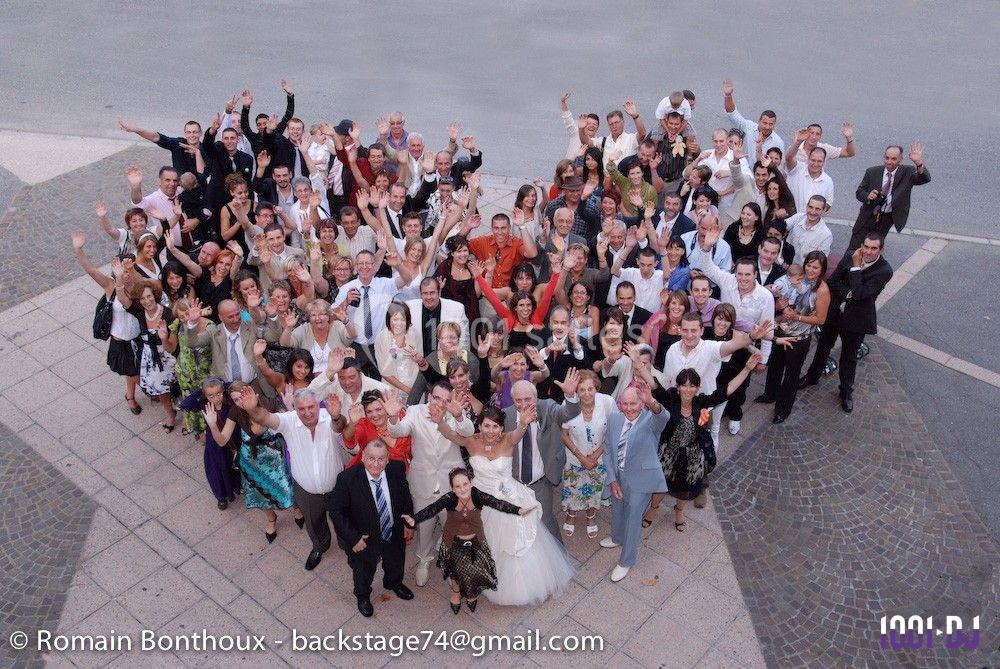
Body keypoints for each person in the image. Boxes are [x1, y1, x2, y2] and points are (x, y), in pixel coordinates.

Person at [434, 405, 577, 605]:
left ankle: (513, 586)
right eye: (486, 426)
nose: (490, 431)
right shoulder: (471, 442)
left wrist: (523, 423)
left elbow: (519, 432)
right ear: (479, 426)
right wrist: (440, 420)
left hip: (508, 498)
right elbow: (451, 435)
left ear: (501, 429)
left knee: (511, 545)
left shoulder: (509, 440)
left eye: (495, 427)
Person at [236, 385, 349, 571]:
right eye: (301, 408)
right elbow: (264, 417)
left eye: (311, 407)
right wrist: (252, 409)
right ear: (294, 409)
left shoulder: (330, 417)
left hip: (337, 488)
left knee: (343, 520)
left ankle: (347, 545)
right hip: (306, 491)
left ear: (317, 405)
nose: (307, 412)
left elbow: (340, 426)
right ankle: (320, 547)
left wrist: (336, 416)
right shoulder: (288, 421)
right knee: (314, 524)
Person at [402, 467, 535, 614]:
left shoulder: (477, 495)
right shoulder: (449, 499)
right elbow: (432, 508)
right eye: (457, 486)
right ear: (452, 488)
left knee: (474, 569)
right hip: (453, 542)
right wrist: (414, 520)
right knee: (456, 570)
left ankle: (471, 593)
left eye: (465, 484)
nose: (462, 489)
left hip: (476, 541)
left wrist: (518, 510)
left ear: (471, 483)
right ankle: (456, 592)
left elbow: (497, 503)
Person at [652, 358, 759, 533]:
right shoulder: (671, 398)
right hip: (669, 452)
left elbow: (727, 391)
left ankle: (679, 511)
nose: (688, 389)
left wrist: (746, 368)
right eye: (684, 385)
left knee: (685, 487)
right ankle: (654, 508)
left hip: (692, 455)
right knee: (660, 483)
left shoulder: (701, 402)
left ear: (697, 388)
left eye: (692, 385)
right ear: (678, 387)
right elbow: (654, 387)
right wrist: (638, 365)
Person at [384, 380, 473, 587]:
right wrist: (393, 416)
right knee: (424, 527)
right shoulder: (415, 411)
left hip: (450, 484)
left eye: (446, 400)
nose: (441, 403)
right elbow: (399, 431)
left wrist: (459, 415)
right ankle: (424, 560)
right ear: (429, 396)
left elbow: (468, 433)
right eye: (437, 398)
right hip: (422, 480)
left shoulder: (454, 413)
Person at [800, 234, 893, 413]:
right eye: (866, 246)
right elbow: (834, 281)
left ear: (881, 250)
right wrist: (849, 293)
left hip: (857, 319)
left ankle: (846, 392)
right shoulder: (851, 254)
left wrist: (856, 267)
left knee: (849, 356)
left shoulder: (884, 271)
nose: (868, 251)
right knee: (823, 346)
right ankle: (812, 377)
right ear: (862, 245)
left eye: (874, 248)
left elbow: (861, 294)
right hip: (835, 311)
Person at [327, 439, 415, 617]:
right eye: (371, 458)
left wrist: (407, 522)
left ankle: (394, 583)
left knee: (396, 563)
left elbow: (405, 495)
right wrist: (353, 538)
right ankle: (362, 596)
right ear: (363, 457)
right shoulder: (347, 479)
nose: (376, 464)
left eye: (381, 459)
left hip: (393, 532)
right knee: (363, 572)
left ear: (388, 459)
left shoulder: (397, 470)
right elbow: (336, 511)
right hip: (364, 539)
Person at [598, 382, 668, 582]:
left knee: (633, 521)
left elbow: (664, 417)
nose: (628, 408)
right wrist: (612, 479)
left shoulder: (651, 421)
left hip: (641, 479)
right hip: (618, 475)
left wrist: (652, 402)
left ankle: (626, 561)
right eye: (624, 403)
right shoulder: (614, 419)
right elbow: (609, 450)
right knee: (617, 509)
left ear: (642, 404)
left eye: (634, 404)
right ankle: (616, 538)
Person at [503, 368, 582, 541]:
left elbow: (568, 413)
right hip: (514, 481)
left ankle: (559, 557)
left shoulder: (547, 408)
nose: (523, 404)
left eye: (528, 399)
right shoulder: (506, 416)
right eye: (518, 400)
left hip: (540, 481)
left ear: (536, 397)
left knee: (546, 521)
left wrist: (570, 397)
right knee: (518, 521)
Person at [757, 251, 830, 422]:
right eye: (809, 265)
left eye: (816, 267)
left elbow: (820, 319)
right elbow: (782, 299)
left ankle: (783, 409)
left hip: (800, 338)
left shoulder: (822, 290)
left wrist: (796, 317)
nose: (811, 270)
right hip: (782, 330)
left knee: (791, 374)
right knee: (775, 366)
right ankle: (770, 394)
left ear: (822, 270)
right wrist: (779, 305)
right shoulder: (796, 278)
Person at [559, 371, 613, 539]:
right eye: (582, 390)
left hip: (599, 458)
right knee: (573, 489)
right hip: (575, 458)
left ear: (596, 387)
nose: (587, 393)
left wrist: (595, 456)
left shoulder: (607, 402)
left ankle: (591, 516)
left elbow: (612, 431)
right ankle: (571, 514)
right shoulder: (568, 404)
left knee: (594, 489)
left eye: (590, 388)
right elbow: (564, 434)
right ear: (575, 391)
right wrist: (582, 458)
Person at [849, 143, 930, 249]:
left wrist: (919, 164)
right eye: (887, 158)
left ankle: (870, 264)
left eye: (893, 159)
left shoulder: (907, 172)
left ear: (900, 160)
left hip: (886, 218)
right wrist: (868, 196)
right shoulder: (872, 172)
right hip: (868, 215)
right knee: (855, 247)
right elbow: (859, 192)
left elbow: (925, 179)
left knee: (875, 247)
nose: (889, 162)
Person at [179, 377, 240, 509]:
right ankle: (221, 497)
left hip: (232, 440)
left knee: (234, 467)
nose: (215, 398)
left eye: (218, 393)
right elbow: (185, 404)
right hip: (214, 444)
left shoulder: (229, 402)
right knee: (216, 471)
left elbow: (234, 385)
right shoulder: (205, 405)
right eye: (210, 395)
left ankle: (236, 487)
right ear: (205, 395)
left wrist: (222, 383)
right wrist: (200, 391)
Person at [131, 284, 178, 431]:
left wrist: (164, 338)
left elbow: (173, 347)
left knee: (179, 387)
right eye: (142, 298)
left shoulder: (168, 314)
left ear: (155, 295)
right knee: (161, 390)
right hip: (150, 357)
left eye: (149, 296)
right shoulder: (140, 313)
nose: (146, 301)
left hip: (168, 355)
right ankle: (170, 414)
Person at [344, 390, 412, 469]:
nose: (374, 415)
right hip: (369, 472)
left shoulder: (400, 418)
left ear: (386, 407)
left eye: (378, 409)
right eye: (369, 411)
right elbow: (349, 440)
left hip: (400, 473)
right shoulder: (365, 424)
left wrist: (394, 417)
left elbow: (406, 450)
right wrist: (353, 423)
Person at [722, 77, 785, 156]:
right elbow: (733, 114)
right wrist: (728, 96)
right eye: (765, 123)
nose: (767, 127)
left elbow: (779, 164)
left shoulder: (778, 142)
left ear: (774, 124)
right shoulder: (749, 127)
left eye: (771, 124)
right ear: (759, 121)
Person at [374, 303, 422, 395]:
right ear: (389, 319)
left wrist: (416, 389)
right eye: (395, 319)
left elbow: (421, 362)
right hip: (392, 389)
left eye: (403, 319)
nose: (399, 323)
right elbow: (384, 372)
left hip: (414, 387)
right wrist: (408, 390)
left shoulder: (414, 334)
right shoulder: (381, 338)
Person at [785, 128, 835, 213]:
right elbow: (788, 158)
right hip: (791, 218)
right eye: (813, 160)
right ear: (808, 159)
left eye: (819, 161)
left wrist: (813, 214)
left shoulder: (828, 181)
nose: (815, 164)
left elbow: (827, 205)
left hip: (812, 222)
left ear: (823, 162)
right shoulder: (797, 169)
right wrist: (798, 142)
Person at [785, 195, 833, 265]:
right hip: (785, 265)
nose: (813, 212)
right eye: (811, 207)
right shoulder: (798, 217)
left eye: (818, 209)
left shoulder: (826, 235)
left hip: (803, 273)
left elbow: (820, 261)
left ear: (824, 210)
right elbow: (780, 227)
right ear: (807, 206)